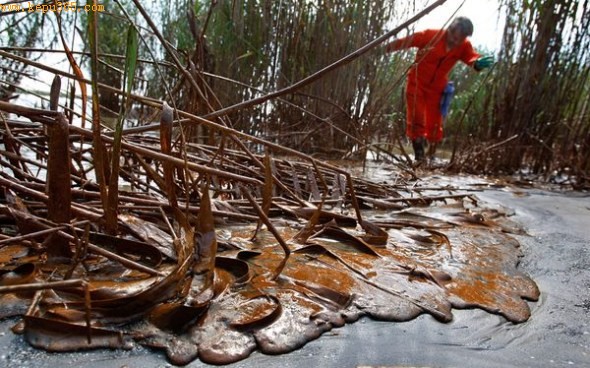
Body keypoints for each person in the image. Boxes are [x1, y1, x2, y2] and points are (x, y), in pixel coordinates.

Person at [384, 17, 494, 164]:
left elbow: (471, 57)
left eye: (461, 39)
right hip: (417, 82)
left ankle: (431, 157)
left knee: (434, 125)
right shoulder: (431, 36)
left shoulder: (464, 46)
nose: (456, 41)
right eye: (455, 36)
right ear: (450, 29)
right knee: (416, 116)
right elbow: (407, 41)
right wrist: (384, 48)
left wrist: (478, 62)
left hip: (437, 88)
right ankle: (419, 156)